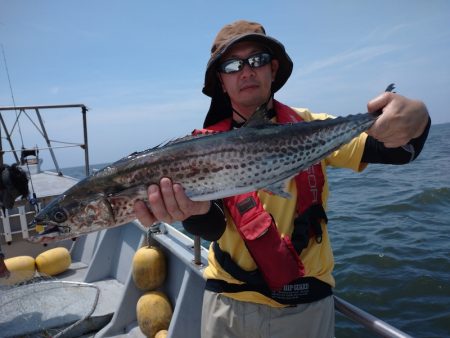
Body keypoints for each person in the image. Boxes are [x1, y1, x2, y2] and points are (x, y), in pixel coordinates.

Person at [134, 20, 430, 338]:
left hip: (305, 310)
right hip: (227, 307)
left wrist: (418, 117)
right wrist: (192, 213)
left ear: (273, 69)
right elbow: (214, 227)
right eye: (233, 65)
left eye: (257, 60)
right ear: (221, 80)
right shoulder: (201, 148)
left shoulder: (309, 126)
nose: (246, 71)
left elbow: (401, 151)